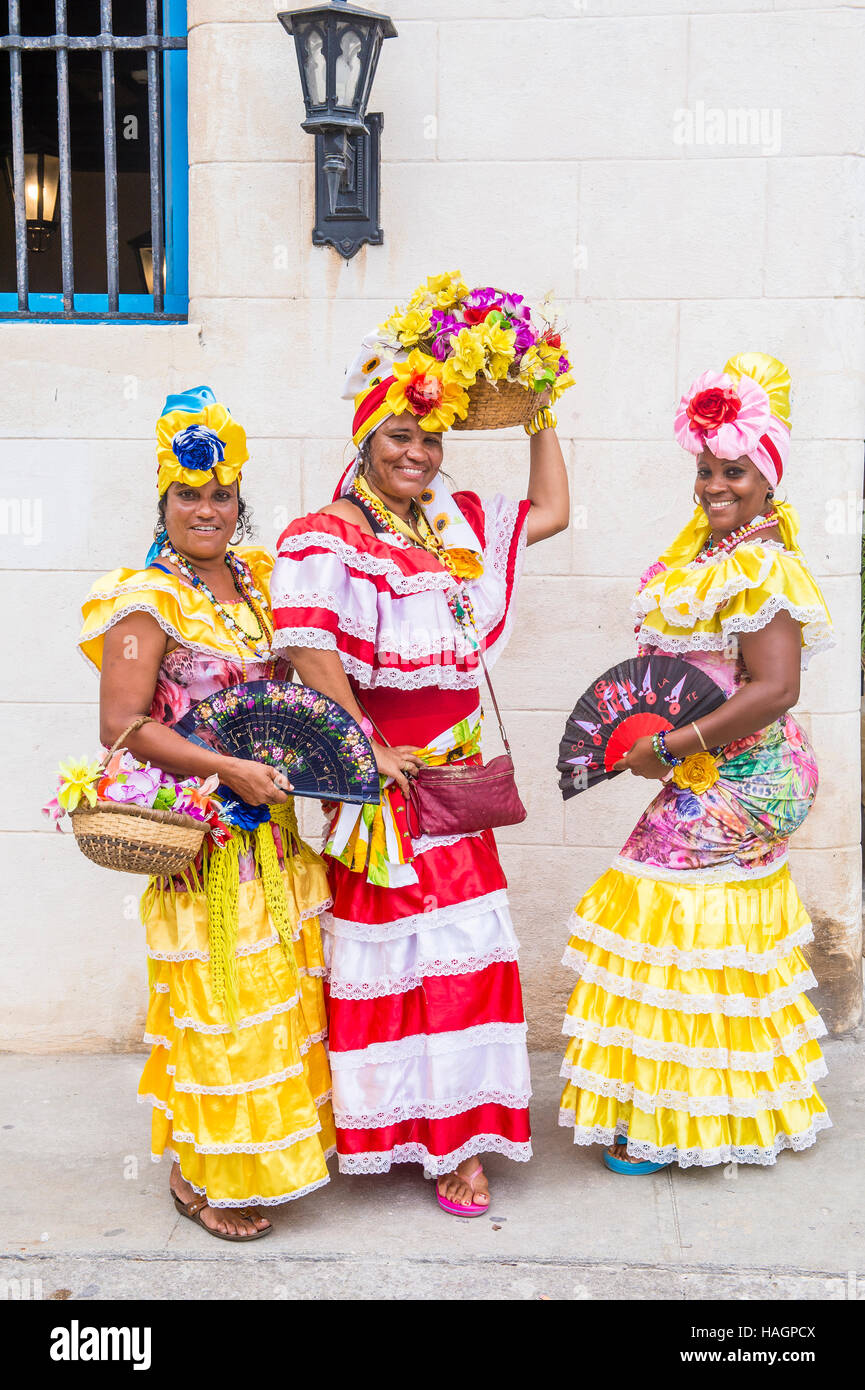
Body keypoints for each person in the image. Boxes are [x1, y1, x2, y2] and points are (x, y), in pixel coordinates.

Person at [270, 335, 570, 1212]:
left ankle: (455, 1137)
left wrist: (539, 405)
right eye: (399, 435)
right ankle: (404, 1132)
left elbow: (551, 507)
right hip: (383, 786)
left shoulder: (453, 524)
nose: (417, 453)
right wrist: (367, 743)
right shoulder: (326, 534)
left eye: (430, 439)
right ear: (363, 441)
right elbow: (305, 641)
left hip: (456, 782)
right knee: (398, 957)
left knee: (461, 958)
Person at [558, 352, 835, 1172]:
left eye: (735, 470)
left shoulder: (759, 564)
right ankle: (704, 1107)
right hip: (717, 770)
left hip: (749, 775)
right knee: (693, 920)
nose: (715, 484)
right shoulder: (714, 555)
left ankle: (678, 1120)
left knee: (659, 904)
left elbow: (775, 687)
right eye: (706, 469)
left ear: (767, 477)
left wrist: (668, 745)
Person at [78, 386, 334, 1238]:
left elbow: (296, 682)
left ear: (239, 502)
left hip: (278, 835)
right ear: (164, 501)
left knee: (278, 995)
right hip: (205, 840)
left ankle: (264, 1152)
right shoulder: (144, 599)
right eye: (188, 494)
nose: (206, 509)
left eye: (220, 494)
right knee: (222, 1003)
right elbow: (123, 724)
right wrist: (229, 765)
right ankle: (205, 1173)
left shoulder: (260, 586)